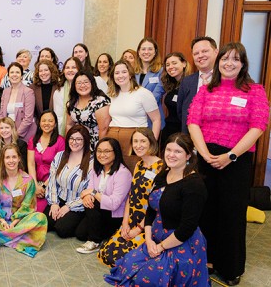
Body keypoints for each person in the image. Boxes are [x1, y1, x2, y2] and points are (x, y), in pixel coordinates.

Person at [188, 42, 269, 286]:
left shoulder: (254, 91)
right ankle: (207, 261)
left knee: (231, 214)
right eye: (225, 59)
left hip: (237, 160)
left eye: (235, 59)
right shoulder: (206, 91)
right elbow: (193, 122)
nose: (229, 63)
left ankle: (230, 267)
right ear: (218, 61)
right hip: (207, 157)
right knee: (206, 211)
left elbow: (258, 126)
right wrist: (203, 153)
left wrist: (231, 155)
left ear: (243, 64)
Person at [105, 133, 209, 286]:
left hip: (179, 242)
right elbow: (151, 211)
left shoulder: (194, 185)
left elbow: (187, 228)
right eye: (168, 150)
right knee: (126, 265)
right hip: (154, 238)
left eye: (178, 151)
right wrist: (148, 240)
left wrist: (160, 247)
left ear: (188, 155)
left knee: (148, 279)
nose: (171, 155)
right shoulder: (162, 175)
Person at [98, 128, 163, 267]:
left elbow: (157, 206)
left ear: (151, 142)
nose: (138, 145)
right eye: (135, 141)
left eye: (143, 141)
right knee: (107, 253)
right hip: (132, 220)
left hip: (148, 224)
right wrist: (125, 223)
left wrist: (138, 229)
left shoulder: (161, 168)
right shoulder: (139, 165)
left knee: (123, 260)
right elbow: (131, 196)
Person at [0, 144, 48, 257]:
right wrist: (2, 221)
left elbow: (28, 206)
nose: (11, 161)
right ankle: (16, 237)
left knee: (41, 218)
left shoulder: (27, 180)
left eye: (14, 157)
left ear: (19, 158)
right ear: (3, 160)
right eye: (7, 157)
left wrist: (14, 222)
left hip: (19, 221)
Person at [75, 137, 132, 254]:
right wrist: (87, 196)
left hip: (115, 216)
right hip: (100, 212)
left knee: (95, 200)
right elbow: (89, 190)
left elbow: (114, 204)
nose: (102, 155)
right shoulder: (97, 170)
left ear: (115, 152)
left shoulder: (123, 173)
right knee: (80, 233)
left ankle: (94, 241)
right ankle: (103, 234)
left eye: (107, 151)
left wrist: (93, 193)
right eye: (99, 151)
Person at [106, 60, 160, 171]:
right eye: (117, 73)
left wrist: (151, 145)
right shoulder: (112, 94)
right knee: (114, 172)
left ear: (130, 74)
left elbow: (156, 120)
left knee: (133, 171)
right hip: (113, 138)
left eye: (124, 72)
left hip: (135, 140)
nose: (120, 75)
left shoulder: (143, 93)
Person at [44, 125, 92, 238]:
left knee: (62, 230)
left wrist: (68, 207)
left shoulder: (91, 162)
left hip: (77, 204)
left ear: (85, 141)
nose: (74, 142)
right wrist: (54, 203)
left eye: (79, 139)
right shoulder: (60, 156)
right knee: (46, 223)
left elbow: (88, 192)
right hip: (59, 198)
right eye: (71, 138)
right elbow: (52, 181)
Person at [177, 36, 219, 133]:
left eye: (204, 51)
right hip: (190, 139)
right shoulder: (186, 82)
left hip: (216, 139)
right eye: (196, 53)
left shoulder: (226, 79)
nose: (200, 56)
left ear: (216, 52)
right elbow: (181, 112)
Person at [27, 110, 65, 213]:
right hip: (35, 182)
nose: (46, 123)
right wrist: (35, 185)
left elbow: (59, 167)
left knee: (38, 212)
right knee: (25, 208)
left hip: (51, 183)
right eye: (43, 120)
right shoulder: (33, 140)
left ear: (55, 124)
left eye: (50, 121)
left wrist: (43, 186)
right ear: (39, 123)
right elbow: (30, 164)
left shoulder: (60, 141)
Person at [66, 70, 111, 151]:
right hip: (77, 145)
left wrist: (100, 150)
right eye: (79, 83)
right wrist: (69, 145)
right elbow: (69, 125)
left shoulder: (100, 102)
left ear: (92, 83)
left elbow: (104, 129)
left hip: (95, 145)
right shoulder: (72, 103)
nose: (82, 85)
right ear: (74, 86)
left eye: (86, 82)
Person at [0, 62, 37, 142]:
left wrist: (15, 134)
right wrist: (4, 131)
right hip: (7, 133)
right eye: (12, 72)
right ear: (8, 76)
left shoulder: (28, 92)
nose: (14, 75)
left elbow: (28, 118)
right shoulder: (5, 92)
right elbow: (2, 115)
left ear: (21, 76)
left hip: (24, 133)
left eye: (17, 72)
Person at [160, 52, 190, 147]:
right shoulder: (172, 86)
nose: (170, 67)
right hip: (169, 130)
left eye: (174, 63)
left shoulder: (191, 85)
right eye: (167, 65)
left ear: (184, 64)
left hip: (183, 133)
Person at [136, 38, 165, 129]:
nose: (146, 52)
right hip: (134, 118)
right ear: (139, 52)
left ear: (155, 52)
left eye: (150, 49)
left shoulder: (162, 71)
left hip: (152, 118)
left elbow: (157, 94)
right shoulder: (132, 71)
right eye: (143, 49)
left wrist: (137, 105)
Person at [53, 57, 81, 135]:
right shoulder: (58, 92)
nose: (70, 70)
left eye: (74, 67)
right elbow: (58, 117)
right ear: (64, 71)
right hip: (64, 131)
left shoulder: (85, 89)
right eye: (67, 68)